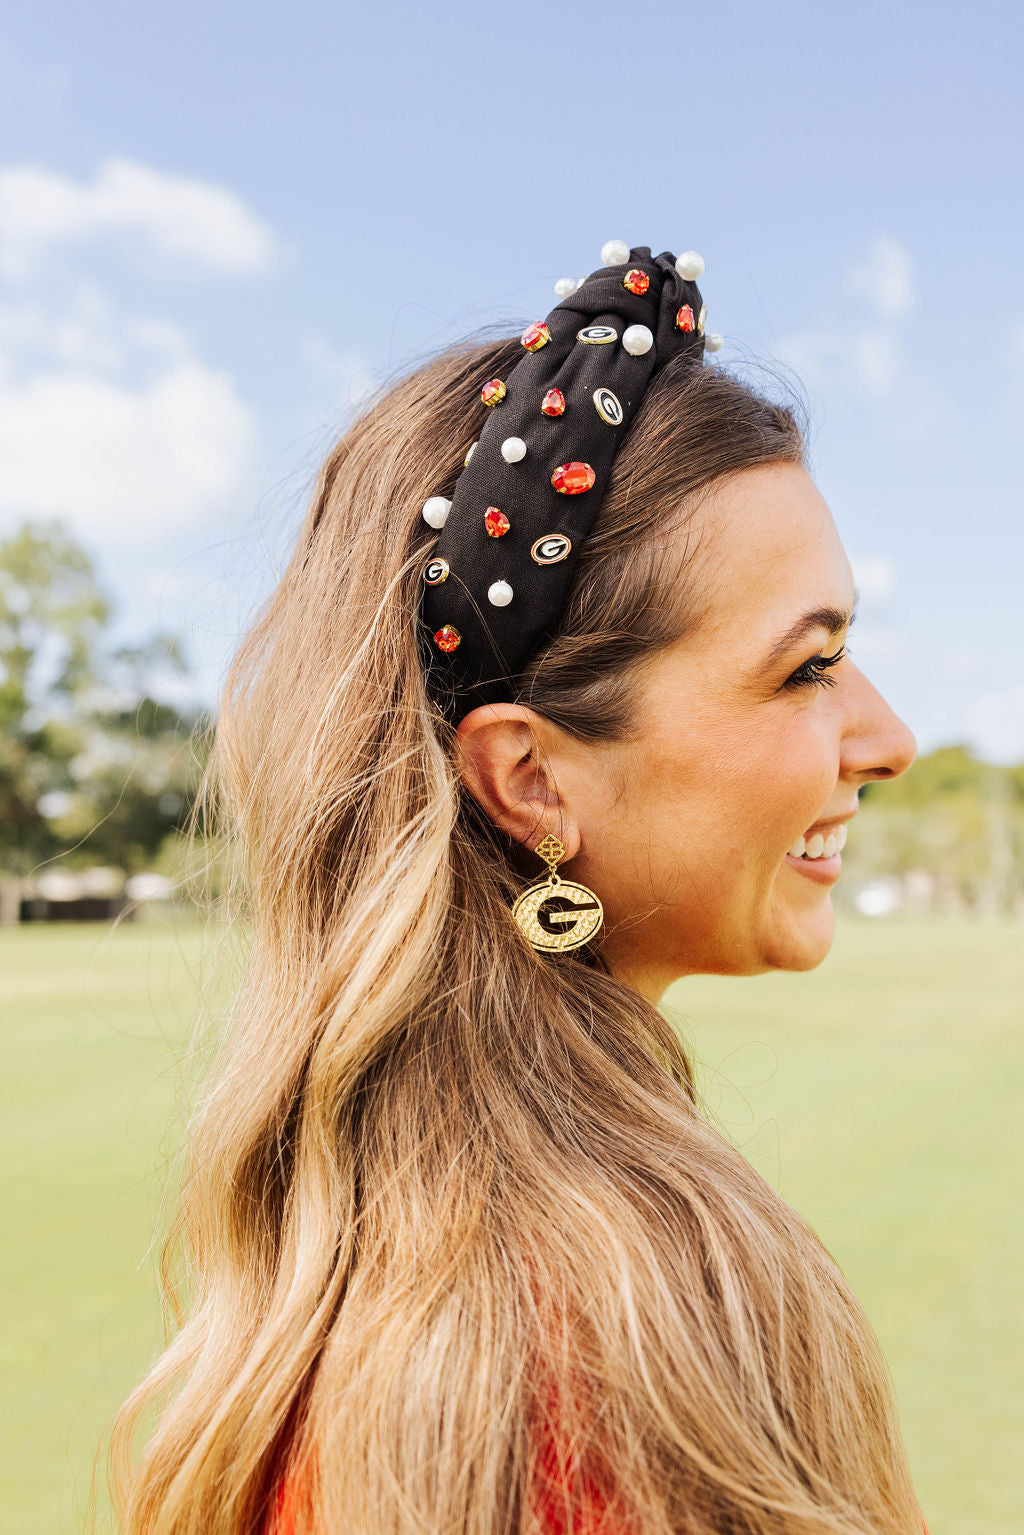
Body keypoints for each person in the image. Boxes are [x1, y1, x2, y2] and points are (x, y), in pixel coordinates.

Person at [110, 244, 930, 1534]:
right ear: (533, 782)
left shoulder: (367, 1256)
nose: (889, 740)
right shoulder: (625, 1331)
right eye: (805, 669)